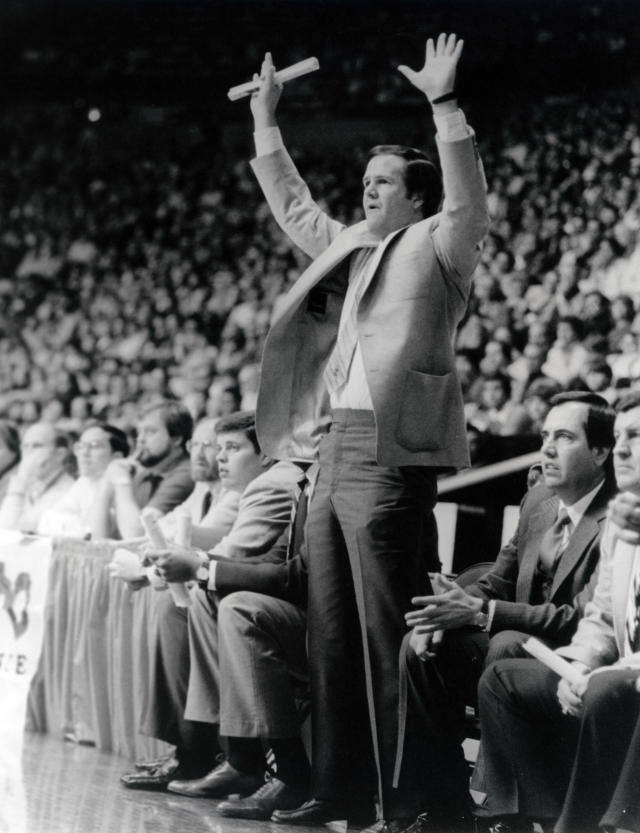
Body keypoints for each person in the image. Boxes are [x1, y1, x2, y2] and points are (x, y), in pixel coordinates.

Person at [249, 32, 489, 828]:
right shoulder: (355, 245)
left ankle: (411, 800)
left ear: (417, 197)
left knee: (388, 631)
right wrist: (265, 123)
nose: (367, 193)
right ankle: (338, 789)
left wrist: (445, 105)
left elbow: (468, 199)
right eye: (364, 181)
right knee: (331, 632)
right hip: (331, 449)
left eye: (384, 182)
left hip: (389, 452)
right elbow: (294, 208)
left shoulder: (441, 243)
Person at [397, 392, 616, 832]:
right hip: (512, 643)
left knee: (505, 643)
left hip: (574, 658)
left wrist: (482, 612)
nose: (547, 449)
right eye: (545, 436)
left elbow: (578, 615)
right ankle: (442, 803)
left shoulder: (615, 517)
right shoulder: (539, 500)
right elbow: (497, 577)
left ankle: (509, 817)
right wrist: (441, 613)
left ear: (600, 452)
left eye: (565, 438)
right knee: (416, 646)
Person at [477, 390, 640, 833]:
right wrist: (576, 665)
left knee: (608, 690)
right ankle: (523, 817)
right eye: (620, 435)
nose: (623, 448)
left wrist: (600, 673)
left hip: (628, 676)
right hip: (611, 668)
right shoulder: (624, 521)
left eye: (636, 436)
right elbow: (603, 618)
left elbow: (578, 613)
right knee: (502, 678)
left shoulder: (611, 515)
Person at [118, 411, 303, 791]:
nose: (217, 457)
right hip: (272, 599)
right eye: (213, 447)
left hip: (290, 613)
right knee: (189, 598)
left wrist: (157, 571)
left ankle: (201, 750)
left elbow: (227, 553)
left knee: (186, 601)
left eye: (230, 448)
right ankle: (196, 749)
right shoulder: (242, 486)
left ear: (266, 452)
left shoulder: (271, 485)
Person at [90, 399, 194, 539]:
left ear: (176, 439)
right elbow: (100, 538)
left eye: (150, 432)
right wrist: (108, 481)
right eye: (139, 432)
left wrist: (121, 482)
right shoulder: (145, 473)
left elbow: (137, 536)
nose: (140, 440)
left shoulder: (186, 474)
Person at [158, 416, 240, 550]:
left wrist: (176, 531)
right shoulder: (203, 486)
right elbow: (161, 525)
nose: (198, 454)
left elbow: (195, 538)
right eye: (195, 445)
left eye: (208, 445)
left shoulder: (237, 490)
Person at [38, 422, 129, 538]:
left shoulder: (123, 487)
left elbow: (94, 535)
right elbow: (46, 523)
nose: (84, 453)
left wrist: (72, 525)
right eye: (80, 446)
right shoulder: (84, 481)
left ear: (116, 457)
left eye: (95, 445)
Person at [0, 422, 75, 534]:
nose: (29, 453)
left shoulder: (69, 491)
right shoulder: (29, 484)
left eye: (37, 446)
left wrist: (19, 481)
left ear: (60, 454)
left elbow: (7, 530)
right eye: (25, 447)